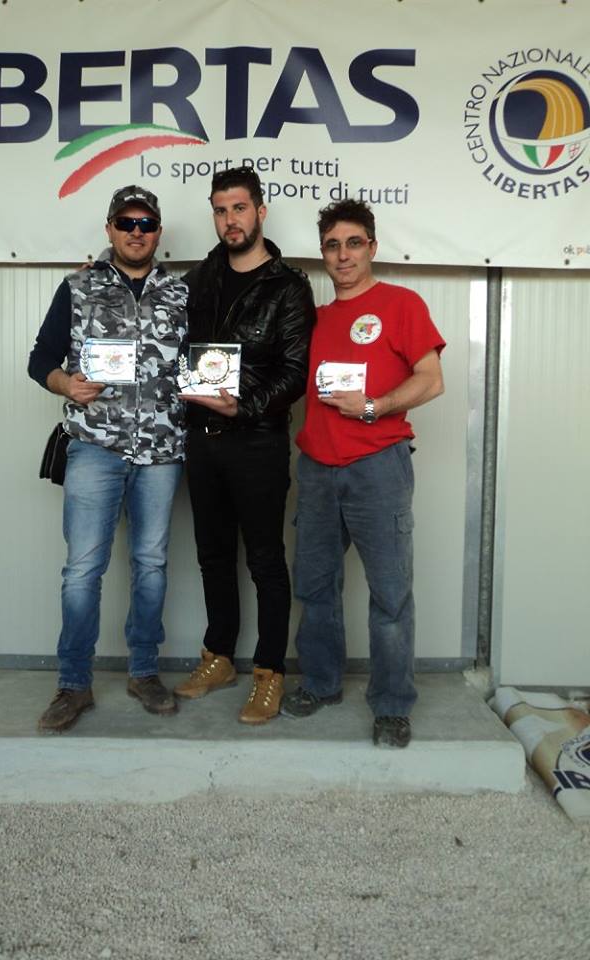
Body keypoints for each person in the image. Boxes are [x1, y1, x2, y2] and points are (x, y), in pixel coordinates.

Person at [281, 198, 445, 748]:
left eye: (354, 243)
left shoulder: (401, 304)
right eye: (332, 245)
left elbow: (431, 379)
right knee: (315, 586)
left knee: (390, 592)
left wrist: (374, 406)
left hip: (378, 467)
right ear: (322, 253)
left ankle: (392, 705)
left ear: (372, 247)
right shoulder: (316, 319)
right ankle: (321, 683)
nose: (343, 255)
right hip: (317, 469)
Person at [28, 185, 188, 732]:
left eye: (146, 223)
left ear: (158, 231)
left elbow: (202, 361)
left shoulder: (182, 292)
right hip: (94, 446)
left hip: (161, 450)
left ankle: (144, 672)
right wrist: (65, 383)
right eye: (126, 222)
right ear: (110, 229)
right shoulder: (78, 287)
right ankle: (74, 683)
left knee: (151, 565)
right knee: (82, 570)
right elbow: (40, 359)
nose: (136, 232)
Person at [173, 166, 316, 724]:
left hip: (257, 441)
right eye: (220, 210)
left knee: (264, 560)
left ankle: (269, 672)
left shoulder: (288, 286)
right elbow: (161, 324)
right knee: (212, 556)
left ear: (260, 211)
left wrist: (247, 406)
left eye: (238, 208)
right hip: (202, 440)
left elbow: (296, 371)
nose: (229, 220)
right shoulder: (198, 278)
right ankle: (219, 657)